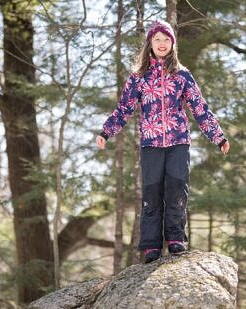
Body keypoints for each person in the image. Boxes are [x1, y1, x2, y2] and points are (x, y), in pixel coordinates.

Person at [96, 20, 230, 263]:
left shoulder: (182, 75)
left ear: (172, 44)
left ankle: (176, 238)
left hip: (179, 142)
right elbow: (124, 109)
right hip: (151, 144)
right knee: (152, 192)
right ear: (150, 44)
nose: (161, 44)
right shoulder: (139, 78)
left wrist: (217, 136)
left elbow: (200, 108)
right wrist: (106, 132)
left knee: (177, 187)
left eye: (166, 39)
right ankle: (151, 245)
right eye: (157, 39)